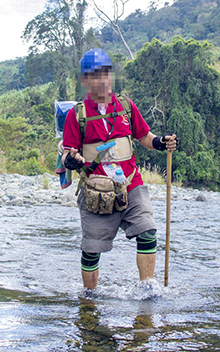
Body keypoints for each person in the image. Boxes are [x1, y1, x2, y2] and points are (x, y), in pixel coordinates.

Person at [62, 48, 177, 290]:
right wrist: (70, 160)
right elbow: (68, 152)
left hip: (130, 184)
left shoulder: (125, 106)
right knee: (92, 249)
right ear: (85, 81)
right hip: (96, 190)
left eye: (106, 73)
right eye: (95, 75)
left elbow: (144, 136)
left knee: (147, 232)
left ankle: (147, 291)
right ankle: (89, 300)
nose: (102, 80)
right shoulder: (77, 115)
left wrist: (160, 142)